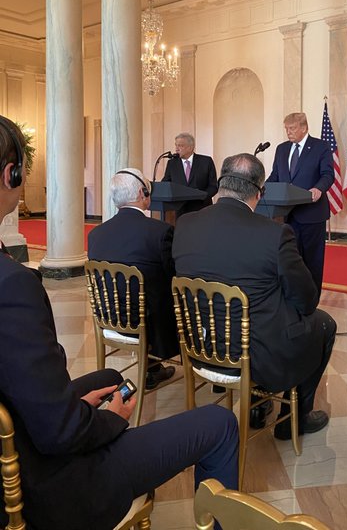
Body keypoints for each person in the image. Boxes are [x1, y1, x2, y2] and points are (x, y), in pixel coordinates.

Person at [0, 116, 239, 530]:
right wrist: (111, 419)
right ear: (12, 174)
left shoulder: (95, 236)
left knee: (111, 377)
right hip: (49, 483)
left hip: (25, 430)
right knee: (219, 424)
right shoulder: (12, 286)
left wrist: (73, 406)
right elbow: (59, 434)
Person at [173, 152, 337, 439]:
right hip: (256, 355)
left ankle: (258, 405)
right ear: (259, 193)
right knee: (324, 323)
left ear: (221, 184)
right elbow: (307, 300)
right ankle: (293, 419)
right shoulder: (275, 234)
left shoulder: (184, 225)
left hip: (200, 345)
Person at [88, 168, 178, 389]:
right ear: (141, 193)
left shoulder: (95, 234)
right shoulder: (160, 232)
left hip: (109, 319)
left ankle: (152, 369)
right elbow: (173, 276)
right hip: (151, 326)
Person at [266, 112, 334, 294]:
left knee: (312, 261)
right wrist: (261, 190)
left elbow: (328, 174)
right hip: (286, 215)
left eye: (292, 128)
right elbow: (275, 176)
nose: (288, 132)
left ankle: (312, 299)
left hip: (312, 214)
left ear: (304, 128)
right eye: (286, 128)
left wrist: (318, 189)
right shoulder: (281, 149)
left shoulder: (320, 147)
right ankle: (293, 297)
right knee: (290, 260)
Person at [162, 132, 218, 217]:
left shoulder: (206, 161)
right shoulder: (172, 163)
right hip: (179, 211)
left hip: (202, 209)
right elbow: (165, 183)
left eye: (180, 146)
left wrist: (201, 196)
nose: (176, 149)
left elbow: (213, 186)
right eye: (176, 145)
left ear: (190, 147)